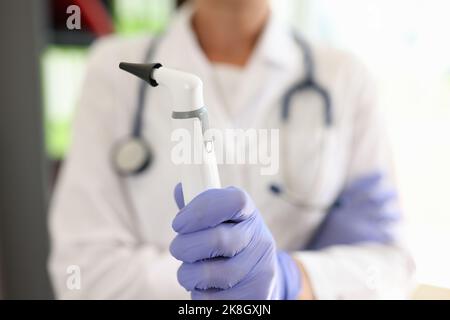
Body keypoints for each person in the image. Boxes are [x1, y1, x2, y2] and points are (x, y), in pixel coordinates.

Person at [49, 0, 415, 299]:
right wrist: (224, 289)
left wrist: (287, 278)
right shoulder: (111, 71)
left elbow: (391, 267)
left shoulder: (344, 78)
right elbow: (82, 272)